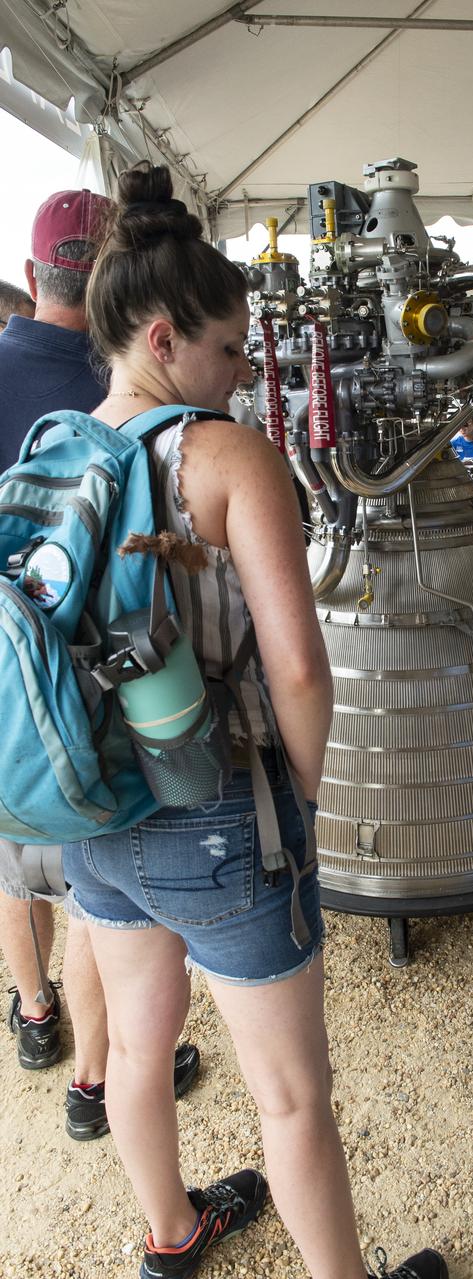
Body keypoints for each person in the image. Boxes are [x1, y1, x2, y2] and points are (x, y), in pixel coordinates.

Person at [61, 162, 446, 1279]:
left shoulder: (61, 445)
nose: (243, 372)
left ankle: (171, 1238)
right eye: (230, 348)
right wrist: (307, 801)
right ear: (165, 337)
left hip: (93, 806)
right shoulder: (226, 455)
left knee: (137, 1040)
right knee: (289, 1095)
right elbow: (302, 673)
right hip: (217, 812)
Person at [0, 188, 199, 1140]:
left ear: (36, 273)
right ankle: (92, 1077)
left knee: (7, 869)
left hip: (4, 690)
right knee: (91, 893)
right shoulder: (122, 382)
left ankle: (34, 1013)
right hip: (103, 703)